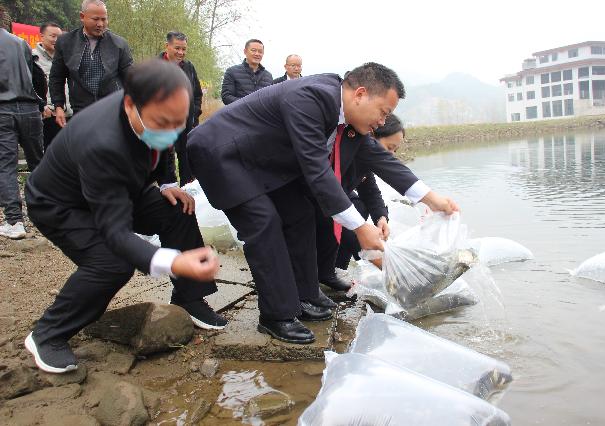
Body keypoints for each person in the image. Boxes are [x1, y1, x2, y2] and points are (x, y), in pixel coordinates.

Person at [188, 63, 458, 345]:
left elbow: (381, 160)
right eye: (383, 111)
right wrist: (360, 227)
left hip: (260, 161)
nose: (382, 121)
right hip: (222, 154)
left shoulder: (346, 118)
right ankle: (276, 315)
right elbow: (317, 171)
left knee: (300, 213)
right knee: (262, 222)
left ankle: (305, 295)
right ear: (360, 94)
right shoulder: (310, 98)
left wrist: (432, 199)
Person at [24, 60, 225, 374]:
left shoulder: (155, 111)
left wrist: (168, 184)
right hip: (62, 204)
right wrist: (172, 261)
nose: (172, 133)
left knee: (178, 208)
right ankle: (48, 333)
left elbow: (164, 146)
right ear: (131, 105)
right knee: (112, 262)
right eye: (163, 123)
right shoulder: (102, 142)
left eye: (179, 123)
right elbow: (116, 232)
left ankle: (189, 297)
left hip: (122, 188)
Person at [331, 114, 405, 278]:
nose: (391, 155)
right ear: (371, 137)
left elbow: (371, 192)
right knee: (351, 217)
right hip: (320, 204)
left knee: (359, 207)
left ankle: (337, 267)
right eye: (389, 147)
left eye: (395, 150)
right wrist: (373, 253)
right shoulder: (344, 154)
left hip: (338, 201)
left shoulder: (365, 164)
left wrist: (381, 218)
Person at [49, 0, 133, 128]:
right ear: (82, 17)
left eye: (104, 19)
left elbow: (130, 77)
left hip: (112, 109)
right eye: (95, 19)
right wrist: (59, 106)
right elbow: (56, 77)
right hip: (81, 110)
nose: (100, 24)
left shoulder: (119, 44)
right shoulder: (65, 43)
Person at [0, 27, 44, 240]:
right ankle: (49, 213)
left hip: (2, 108)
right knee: (38, 162)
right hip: (30, 108)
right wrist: (40, 102)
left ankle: (14, 220)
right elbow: (38, 76)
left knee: (5, 165)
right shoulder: (20, 43)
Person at [160, 31, 203, 186]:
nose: (181, 52)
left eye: (184, 49)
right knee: (165, 163)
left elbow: (197, 94)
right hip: (163, 126)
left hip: (186, 125)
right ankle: (169, 192)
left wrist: (194, 115)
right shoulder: (155, 67)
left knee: (188, 162)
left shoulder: (189, 67)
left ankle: (188, 191)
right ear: (167, 46)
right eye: (177, 48)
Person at [33, 22, 73, 151]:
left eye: (59, 37)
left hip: (69, 113)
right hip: (48, 115)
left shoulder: (67, 57)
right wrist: (42, 106)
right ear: (42, 36)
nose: (56, 40)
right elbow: (28, 85)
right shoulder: (32, 58)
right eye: (53, 36)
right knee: (49, 153)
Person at [220, 39, 273, 105]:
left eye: (260, 51)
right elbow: (226, 97)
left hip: (261, 112)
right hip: (239, 111)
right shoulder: (232, 71)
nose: (257, 54)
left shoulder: (268, 76)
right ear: (245, 51)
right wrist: (248, 105)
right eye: (253, 50)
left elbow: (271, 99)